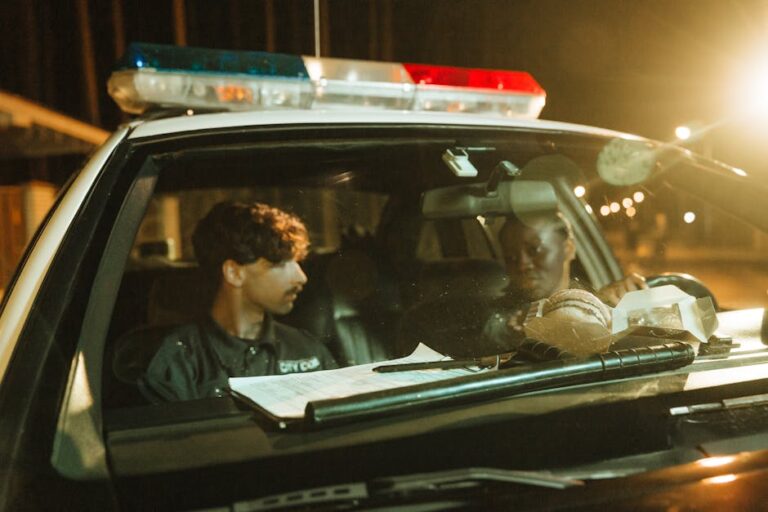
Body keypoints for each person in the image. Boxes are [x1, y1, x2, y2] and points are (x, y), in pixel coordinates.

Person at [138, 201, 338, 402]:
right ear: (234, 273)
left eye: (297, 262)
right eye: (279, 263)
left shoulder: (308, 350)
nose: (301, 277)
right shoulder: (177, 360)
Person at [498, 210, 647, 307]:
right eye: (511, 257)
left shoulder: (604, 300)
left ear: (568, 249)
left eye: (534, 250)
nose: (522, 264)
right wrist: (595, 306)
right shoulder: (495, 321)